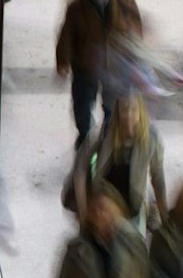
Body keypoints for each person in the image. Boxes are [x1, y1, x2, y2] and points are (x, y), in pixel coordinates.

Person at [55, 0, 143, 150]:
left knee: (112, 106)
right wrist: (63, 61)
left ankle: (108, 136)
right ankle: (84, 133)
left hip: (115, 65)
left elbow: (135, 25)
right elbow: (66, 34)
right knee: (82, 105)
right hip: (86, 65)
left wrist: (136, 54)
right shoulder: (77, 5)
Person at [72, 94, 169, 232]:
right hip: (105, 203)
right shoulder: (105, 132)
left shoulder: (152, 139)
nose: (128, 115)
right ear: (117, 112)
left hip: (133, 206)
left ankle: (149, 212)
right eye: (124, 109)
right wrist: (83, 212)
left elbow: (158, 177)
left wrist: (165, 218)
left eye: (133, 109)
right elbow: (80, 167)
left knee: (134, 242)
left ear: (141, 112)